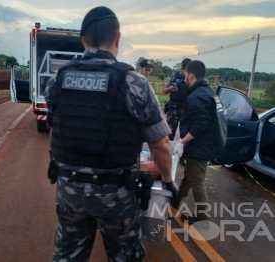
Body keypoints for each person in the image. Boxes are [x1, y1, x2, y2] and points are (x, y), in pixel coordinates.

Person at [45, 6, 178, 262]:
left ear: (83, 40)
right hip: (116, 194)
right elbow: (160, 144)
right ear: (117, 39)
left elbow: (56, 130)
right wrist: (167, 179)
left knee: (68, 255)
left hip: (68, 189)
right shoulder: (134, 82)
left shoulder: (58, 79)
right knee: (125, 256)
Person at [172, 60, 226, 226]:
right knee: (190, 175)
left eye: (185, 74)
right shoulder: (208, 91)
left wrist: (182, 142)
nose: (184, 77)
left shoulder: (198, 96)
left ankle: (202, 219)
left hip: (200, 145)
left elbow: (200, 125)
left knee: (197, 181)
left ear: (191, 74)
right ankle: (175, 200)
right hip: (206, 143)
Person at [164, 58, 191, 166]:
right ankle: (168, 155)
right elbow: (164, 91)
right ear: (182, 68)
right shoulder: (174, 77)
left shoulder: (191, 78)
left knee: (185, 135)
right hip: (174, 109)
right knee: (169, 133)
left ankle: (182, 157)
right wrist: (170, 89)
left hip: (186, 109)